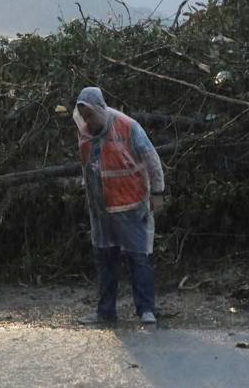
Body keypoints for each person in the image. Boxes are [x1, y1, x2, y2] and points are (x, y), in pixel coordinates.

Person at [73, 86, 165, 326]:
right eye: (84, 117)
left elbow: (151, 158)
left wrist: (158, 192)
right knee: (105, 259)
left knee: (138, 256)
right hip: (101, 211)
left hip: (130, 205)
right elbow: (87, 166)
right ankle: (105, 312)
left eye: (90, 115)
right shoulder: (85, 132)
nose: (88, 121)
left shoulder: (127, 126)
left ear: (100, 109)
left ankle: (146, 310)